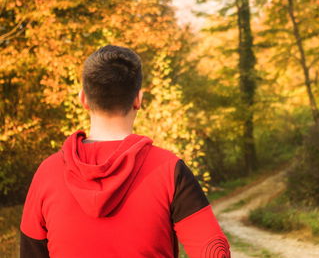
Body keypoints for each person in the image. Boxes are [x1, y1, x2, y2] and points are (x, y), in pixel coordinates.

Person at [19, 45, 230, 258]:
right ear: (138, 99)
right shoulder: (169, 170)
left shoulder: (47, 173)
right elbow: (213, 252)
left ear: (83, 99)